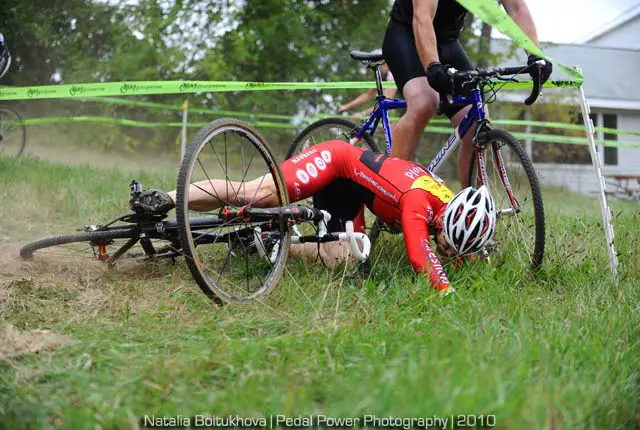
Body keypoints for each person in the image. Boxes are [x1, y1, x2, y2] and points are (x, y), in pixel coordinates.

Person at [133, 140, 496, 296]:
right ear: (447, 220)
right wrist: (447, 292)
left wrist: (469, 258)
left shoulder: (454, 213)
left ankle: (272, 243)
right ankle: (164, 198)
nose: (448, 251)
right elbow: (421, 258)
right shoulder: (420, 202)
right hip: (336, 162)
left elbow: (457, 248)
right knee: (255, 193)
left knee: (344, 258)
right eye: (449, 244)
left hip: (351, 193)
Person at [382, 0, 553, 188]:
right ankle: (390, 191)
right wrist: (432, 65)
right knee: (424, 102)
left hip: (447, 41)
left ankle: (473, 206)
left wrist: (535, 54)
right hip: (407, 35)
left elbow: (517, 8)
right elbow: (422, 16)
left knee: (476, 122)